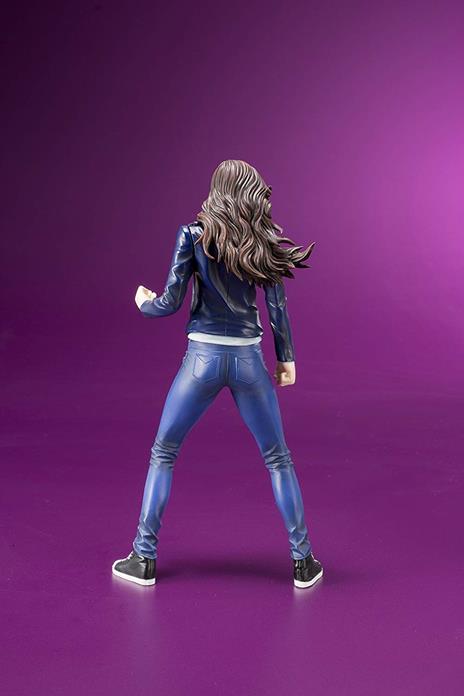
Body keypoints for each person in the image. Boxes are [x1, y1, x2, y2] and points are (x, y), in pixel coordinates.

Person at [112, 159, 323, 589]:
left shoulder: (192, 235)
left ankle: (143, 557)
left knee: (164, 452)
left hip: (201, 360)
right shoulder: (262, 238)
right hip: (249, 362)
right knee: (278, 458)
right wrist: (287, 359)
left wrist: (144, 302)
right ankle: (303, 562)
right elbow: (277, 307)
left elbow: (170, 302)